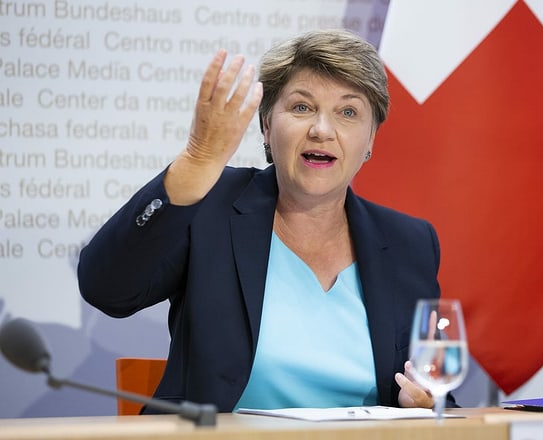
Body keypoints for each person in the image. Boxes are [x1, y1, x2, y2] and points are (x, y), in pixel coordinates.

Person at [78, 29, 453, 413]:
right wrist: (196, 160)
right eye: (302, 107)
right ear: (266, 126)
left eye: (348, 112)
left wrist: (425, 401)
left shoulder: (410, 242)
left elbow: (435, 388)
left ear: (371, 138)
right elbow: (106, 289)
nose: (322, 130)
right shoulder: (211, 205)